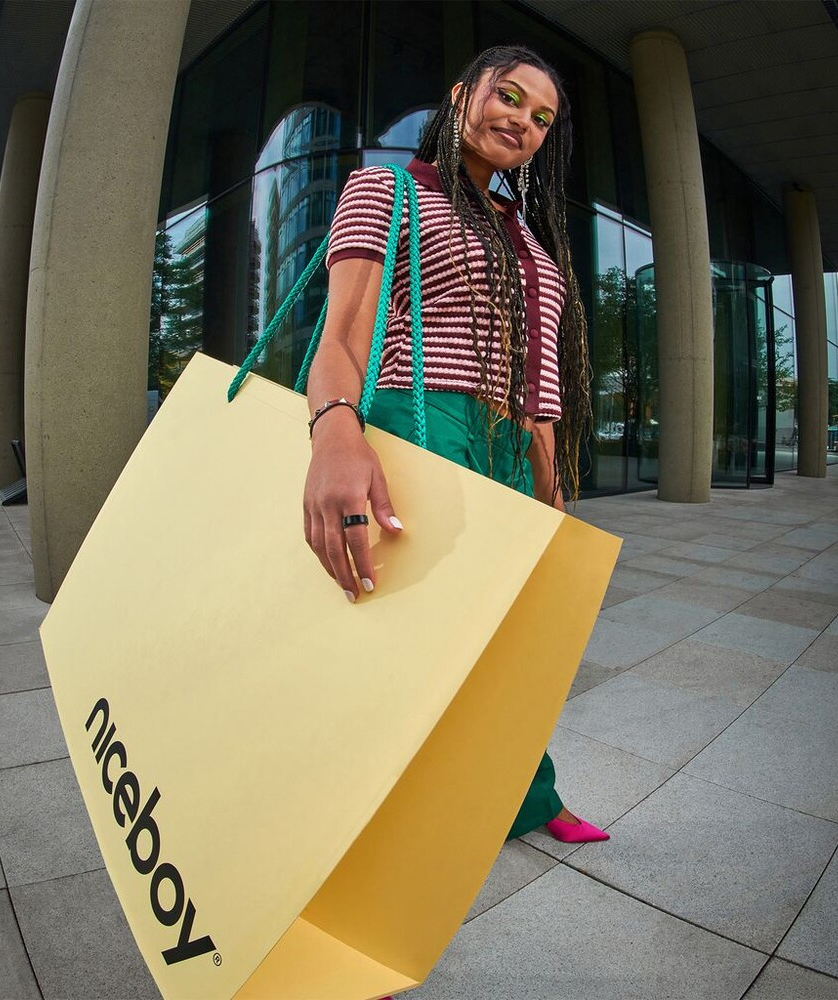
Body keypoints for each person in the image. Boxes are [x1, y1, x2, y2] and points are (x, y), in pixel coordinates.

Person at [302, 45, 608, 845]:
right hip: (422, 420)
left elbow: (541, 389)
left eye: (542, 117)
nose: (523, 121)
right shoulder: (388, 188)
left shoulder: (529, 239)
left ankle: (527, 797)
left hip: (512, 448)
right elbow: (342, 336)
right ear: (462, 94)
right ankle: (365, 847)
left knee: (510, 642)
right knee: (413, 647)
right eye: (508, 96)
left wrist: (551, 491)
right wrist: (334, 435)